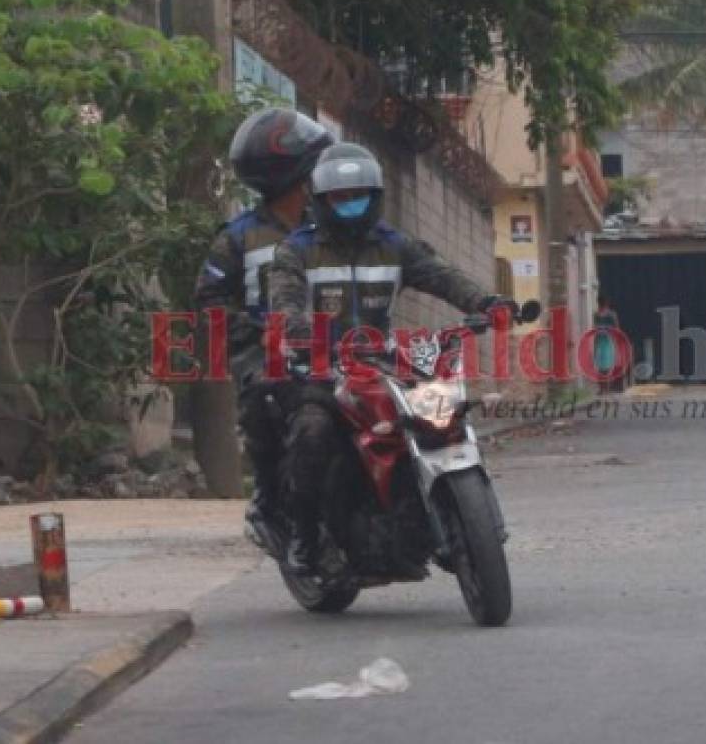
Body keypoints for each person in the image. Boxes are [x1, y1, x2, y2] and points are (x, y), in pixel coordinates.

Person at [267, 140, 513, 574]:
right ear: (321, 201)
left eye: (358, 195)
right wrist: (301, 330)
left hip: (382, 363)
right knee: (313, 431)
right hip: (320, 368)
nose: (350, 204)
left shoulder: (394, 246)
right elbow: (284, 303)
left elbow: (442, 277)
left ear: (375, 197)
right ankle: (304, 537)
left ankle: (459, 517)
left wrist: (486, 303)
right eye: (340, 198)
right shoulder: (297, 250)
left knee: (443, 414)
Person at [193, 107, 332, 547]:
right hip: (268, 350)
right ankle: (270, 498)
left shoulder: (332, 227)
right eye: (312, 170)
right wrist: (251, 334)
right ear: (293, 175)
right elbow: (210, 300)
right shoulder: (238, 238)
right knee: (265, 398)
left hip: (337, 343)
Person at [592, 294, 621, 394]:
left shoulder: (597, 315)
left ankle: (603, 388)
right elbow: (617, 328)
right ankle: (606, 388)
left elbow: (595, 329)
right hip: (607, 340)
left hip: (603, 340)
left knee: (602, 365)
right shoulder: (611, 314)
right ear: (607, 303)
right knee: (606, 365)